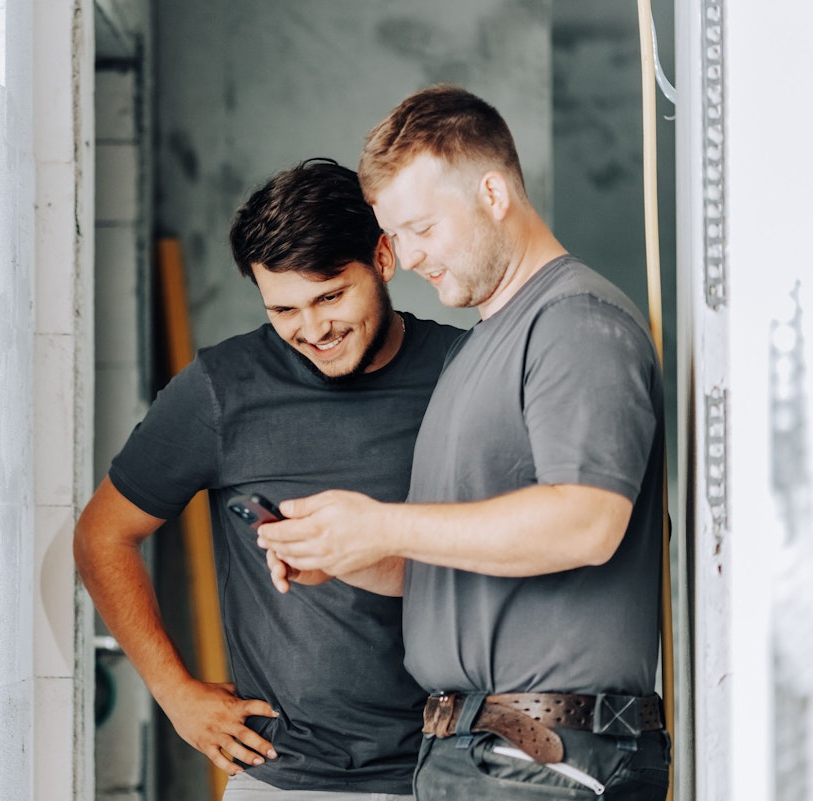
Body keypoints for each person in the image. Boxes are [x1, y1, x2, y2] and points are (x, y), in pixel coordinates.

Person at [257, 87, 671, 800]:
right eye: (397, 234)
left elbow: (588, 522)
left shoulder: (574, 322)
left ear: (492, 191)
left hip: (545, 758)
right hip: (481, 755)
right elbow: (466, 559)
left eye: (421, 227)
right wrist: (355, 553)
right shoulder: (481, 346)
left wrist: (383, 522)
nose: (408, 256)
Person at [73, 158, 462, 798]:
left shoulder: (464, 371)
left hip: (450, 768)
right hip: (285, 778)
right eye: (285, 309)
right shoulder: (222, 390)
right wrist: (177, 695)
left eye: (331, 296)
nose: (313, 330)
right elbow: (101, 536)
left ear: (383, 259)